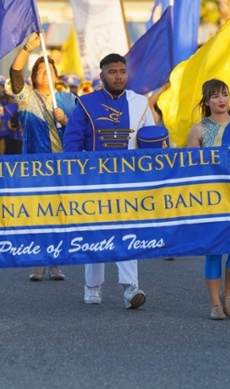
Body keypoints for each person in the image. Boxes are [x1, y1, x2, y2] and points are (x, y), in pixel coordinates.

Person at [63, 53, 155, 309]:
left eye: (122, 71)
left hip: (129, 180)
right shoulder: (85, 103)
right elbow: (71, 144)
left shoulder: (140, 103)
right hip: (94, 181)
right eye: (112, 72)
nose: (118, 76)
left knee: (128, 231)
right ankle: (92, 286)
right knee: (96, 233)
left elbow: (151, 141)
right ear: (101, 75)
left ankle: (130, 288)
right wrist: (81, 173)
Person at [187, 79, 230, 320]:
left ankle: (228, 293)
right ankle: (215, 304)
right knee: (214, 250)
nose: (221, 99)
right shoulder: (197, 130)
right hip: (211, 197)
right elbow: (191, 169)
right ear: (207, 101)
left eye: (224, 94)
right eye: (215, 96)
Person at [10, 32, 77, 281]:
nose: (46, 74)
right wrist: (29, 47)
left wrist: (66, 120)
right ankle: (38, 261)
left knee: (60, 214)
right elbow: (14, 74)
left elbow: (81, 133)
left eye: (50, 70)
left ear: (56, 77)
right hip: (37, 165)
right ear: (34, 77)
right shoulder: (27, 98)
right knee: (38, 213)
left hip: (64, 166)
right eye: (41, 71)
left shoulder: (69, 100)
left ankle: (56, 263)